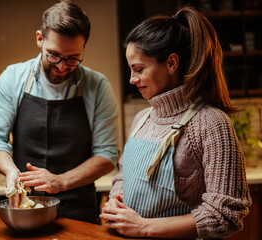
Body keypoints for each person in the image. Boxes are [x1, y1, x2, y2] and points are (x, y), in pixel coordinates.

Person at [100, 6, 251, 239]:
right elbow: (123, 175)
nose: (132, 79)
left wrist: (144, 227)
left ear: (171, 63)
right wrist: (115, 203)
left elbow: (224, 214)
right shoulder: (142, 119)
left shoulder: (211, 123)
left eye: (139, 69)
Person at [0, 0, 119, 223]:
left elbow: (108, 154)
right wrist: (11, 172)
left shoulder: (98, 87)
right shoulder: (12, 78)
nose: (62, 66)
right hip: (24, 206)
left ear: (84, 48)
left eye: (73, 58)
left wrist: (61, 181)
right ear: (39, 39)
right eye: (53, 55)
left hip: (79, 209)